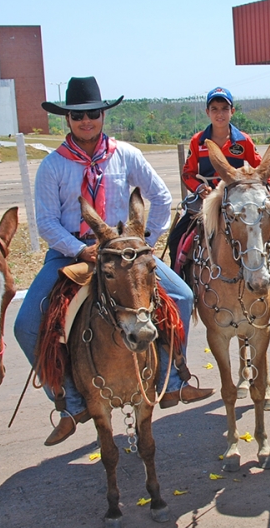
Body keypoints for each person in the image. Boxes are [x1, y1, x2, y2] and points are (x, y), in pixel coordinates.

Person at [13, 76, 212, 446]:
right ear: (67, 120)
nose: (85, 121)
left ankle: (171, 381)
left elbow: (161, 195)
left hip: (125, 253)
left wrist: (143, 244)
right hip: (71, 252)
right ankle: (72, 403)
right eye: (77, 116)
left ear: (103, 114)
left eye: (92, 114)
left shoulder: (126, 155)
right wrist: (78, 249)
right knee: (25, 324)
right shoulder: (53, 166)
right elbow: (46, 222)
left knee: (182, 297)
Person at [166, 87, 270, 299]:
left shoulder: (243, 141)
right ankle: (180, 282)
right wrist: (198, 188)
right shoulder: (198, 141)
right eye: (214, 109)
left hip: (240, 198)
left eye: (224, 109)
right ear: (207, 112)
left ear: (232, 111)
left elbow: (262, 172)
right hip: (208, 198)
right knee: (178, 236)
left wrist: (262, 190)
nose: (219, 114)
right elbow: (188, 173)